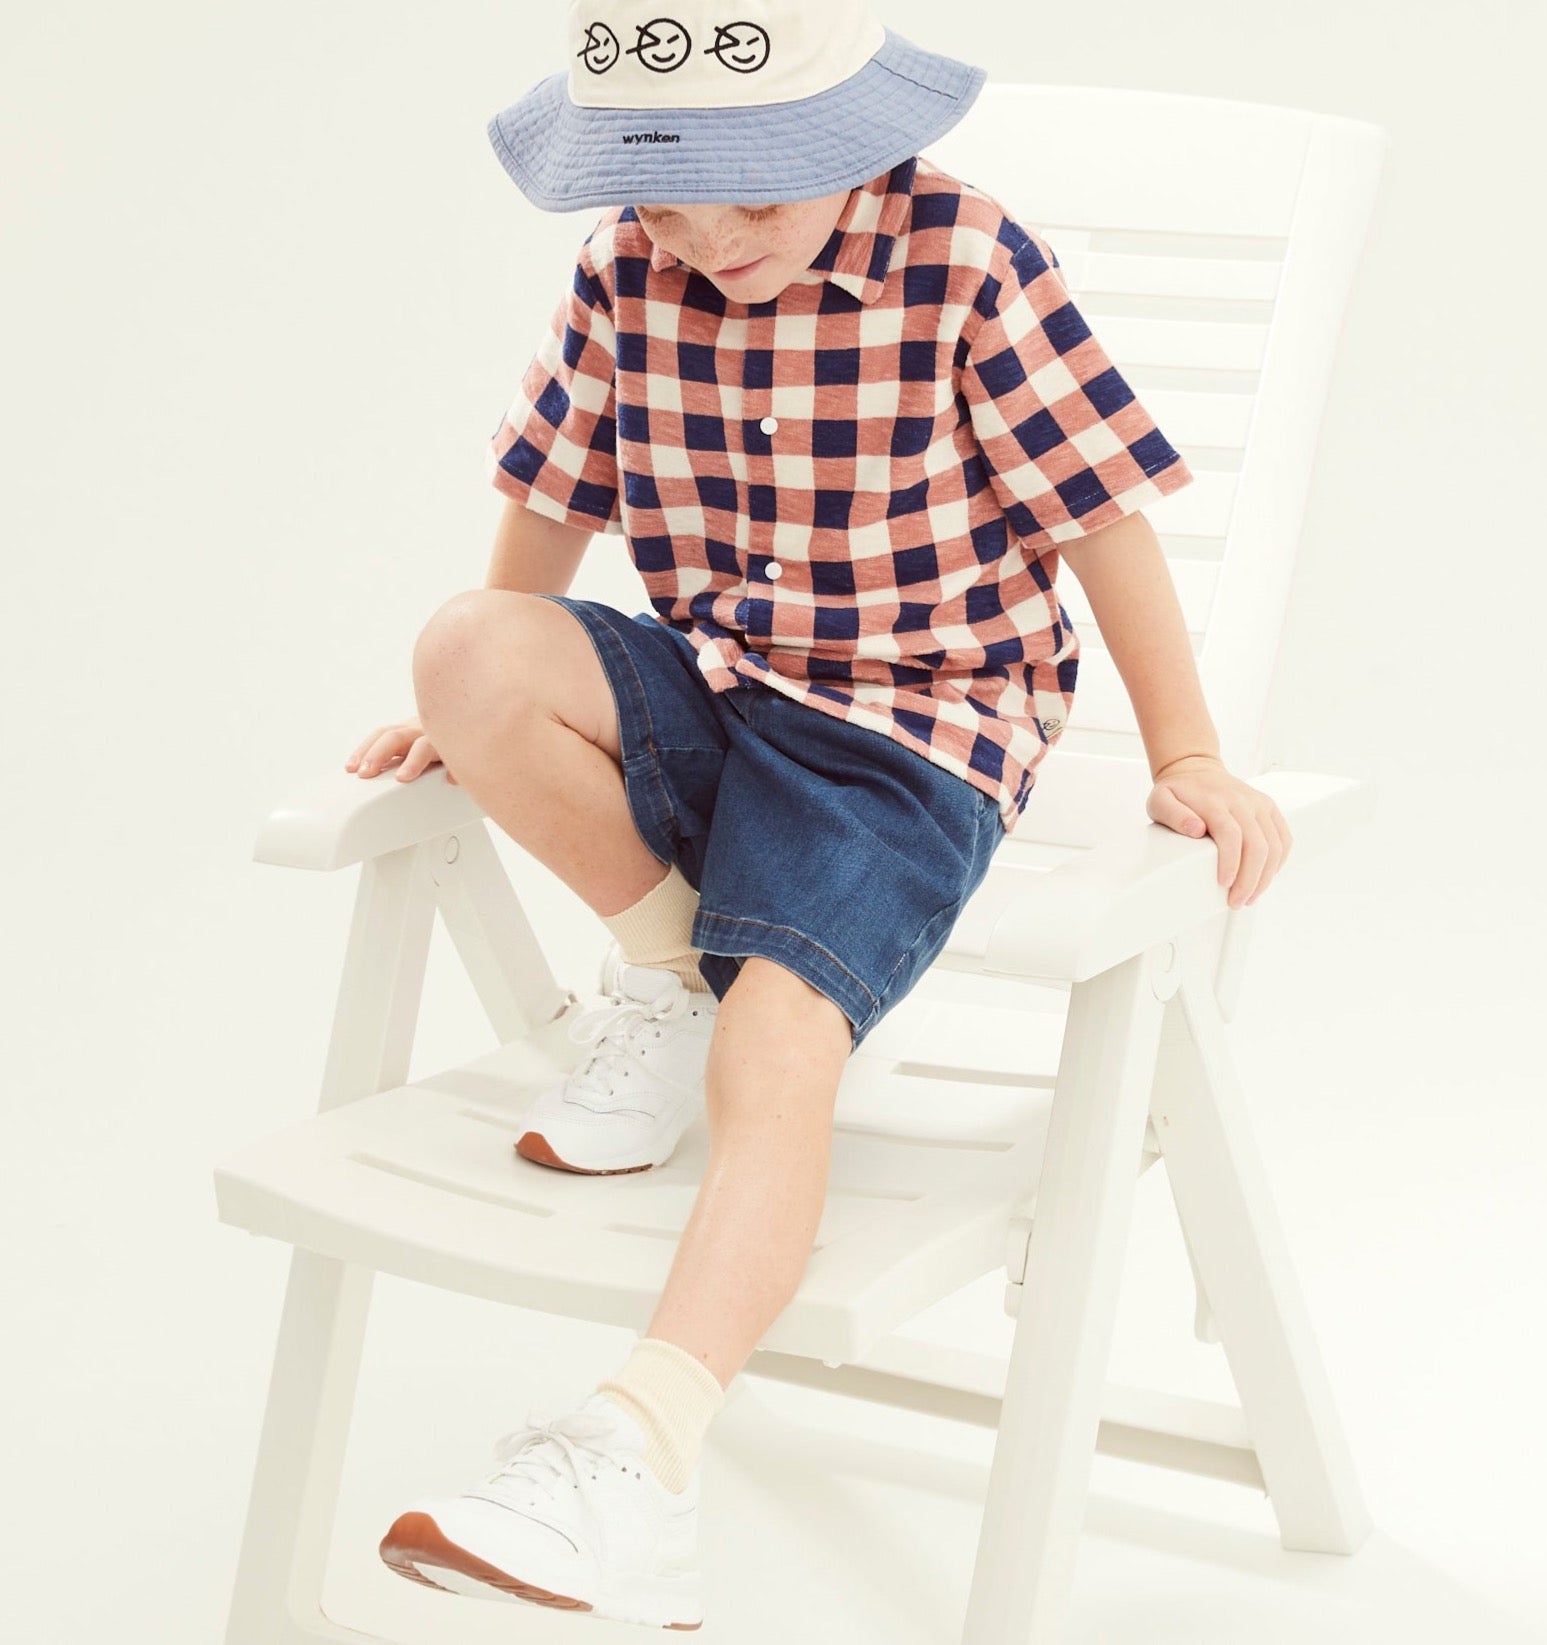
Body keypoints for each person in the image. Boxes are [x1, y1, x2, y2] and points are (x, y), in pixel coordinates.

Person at [347, 0, 1293, 1628]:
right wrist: (476, 705)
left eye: (754, 200)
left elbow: (1100, 516)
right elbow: (549, 494)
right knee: (465, 644)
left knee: (777, 1039)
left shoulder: (965, 259)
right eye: (664, 205)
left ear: (853, 145)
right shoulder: (624, 272)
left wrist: (1189, 749)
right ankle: (667, 966)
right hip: (722, 683)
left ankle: (639, 1453)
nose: (708, 241)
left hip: (911, 735)